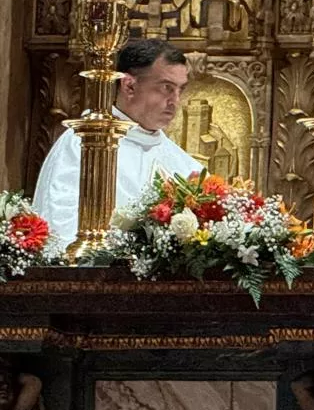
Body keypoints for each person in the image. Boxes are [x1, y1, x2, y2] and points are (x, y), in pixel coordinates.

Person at [34, 39, 203, 255]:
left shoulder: (184, 165)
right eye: (166, 88)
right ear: (129, 86)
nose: (175, 101)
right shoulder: (83, 144)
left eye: (180, 90)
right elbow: (61, 225)